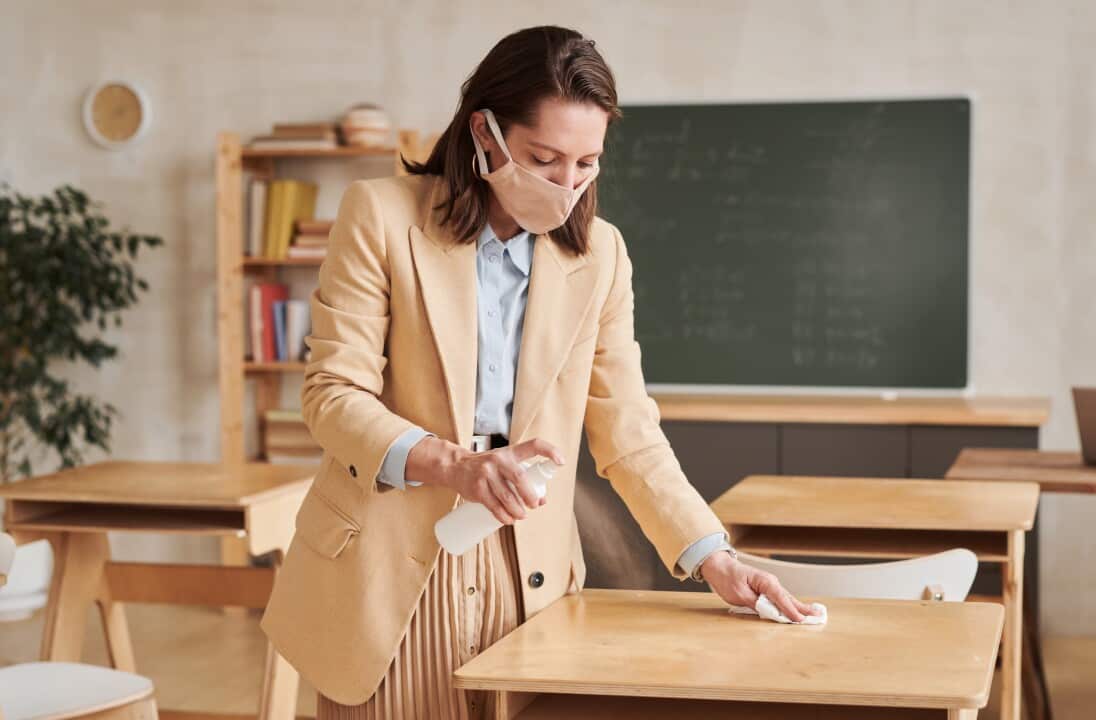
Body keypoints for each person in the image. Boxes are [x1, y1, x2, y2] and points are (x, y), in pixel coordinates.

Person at [261, 25, 820, 720]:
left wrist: (715, 558)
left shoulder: (602, 257)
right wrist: (455, 465)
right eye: (545, 158)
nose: (567, 185)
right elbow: (332, 395)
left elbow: (628, 432)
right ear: (485, 134)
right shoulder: (380, 216)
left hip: (527, 576)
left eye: (587, 163)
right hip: (388, 572)